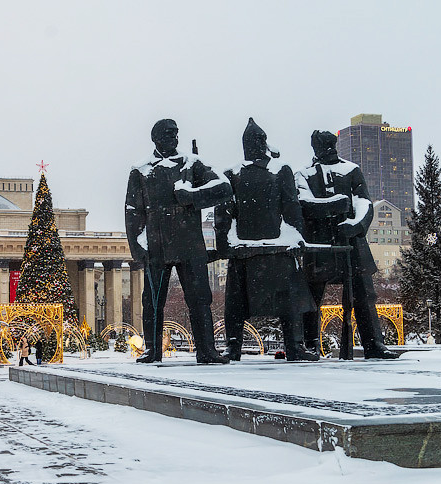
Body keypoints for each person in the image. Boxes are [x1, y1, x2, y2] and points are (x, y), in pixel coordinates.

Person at [125, 118, 233, 364]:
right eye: (168, 133)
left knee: (200, 299)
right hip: (156, 245)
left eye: (175, 133)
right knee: (152, 302)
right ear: (155, 137)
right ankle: (152, 351)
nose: (173, 137)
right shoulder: (141, 170)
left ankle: (207, 350)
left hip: (189, 243)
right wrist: (138, 248)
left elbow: (224, 188)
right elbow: (133, 211)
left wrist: (192, 196)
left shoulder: (191, 163)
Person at [214, 118, 318, 362]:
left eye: (261, 139)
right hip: (245, 250)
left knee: (290, 302)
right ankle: (233, 345)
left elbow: (292, 207)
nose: (259, 144)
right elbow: (224, 212)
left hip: (278, 247)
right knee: (236, 303)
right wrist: (225, 243)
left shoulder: (280, 170)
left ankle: (295, 345)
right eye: (254, 140)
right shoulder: (232, 174)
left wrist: (295, 237)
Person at [295, 130, 398, 359]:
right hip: (319, 245)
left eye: (331, 145)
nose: (329, 149)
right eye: (324, 146)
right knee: (311, 298)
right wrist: (335, 206)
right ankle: (310, 344)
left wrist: (356, 225)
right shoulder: (303, 175)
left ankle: (373, 343)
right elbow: (303, 204)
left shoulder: (351, 170)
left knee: (364, 295)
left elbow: (364, 203)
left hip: (352, 245)